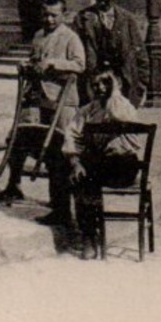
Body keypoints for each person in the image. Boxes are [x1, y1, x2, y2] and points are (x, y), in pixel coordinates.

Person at [0, 0, 87, 228]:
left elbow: (80, 64)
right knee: (20, 138)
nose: (49, 19)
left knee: (60, 152)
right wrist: (27, 64)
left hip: (62, 100)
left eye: (54, 15)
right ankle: (14, 187)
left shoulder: (71, 37)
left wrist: (53, 64)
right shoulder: (38, 35)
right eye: (45, 15)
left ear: (64, 15)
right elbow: (36, 60)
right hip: (37, 97)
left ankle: (61, 208)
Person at [63, 71, 143, 247]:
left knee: (89, 176)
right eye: (96, 85)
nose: (100, 88)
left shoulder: (124, 106)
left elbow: (118, 116)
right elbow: (71, 135)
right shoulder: (87, 110)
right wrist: (75, 161)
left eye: (106, 83)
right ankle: (89, 235)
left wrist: (114, 94)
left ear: (116, 84)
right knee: (81, 176)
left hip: (123, 165)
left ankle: (90, 232)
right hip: (99, 165)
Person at [75, 0, 148, 107]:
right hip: (94, 81)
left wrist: (141, 84)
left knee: (122, 119)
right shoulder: (82, 18)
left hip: (123, 79)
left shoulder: (127, 19)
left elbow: (140, 53)